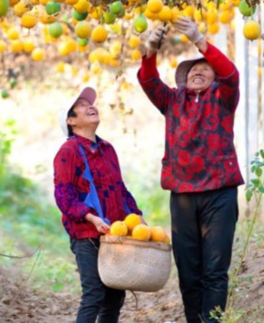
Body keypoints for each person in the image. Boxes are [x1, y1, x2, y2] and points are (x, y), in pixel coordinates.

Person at [137, 16, 243, 323]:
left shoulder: (223, 98)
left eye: (205, 69)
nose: (198, 71)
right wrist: (151, 50)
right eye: (193, 70)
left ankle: (212, 321)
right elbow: (147, 81)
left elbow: (231, 75)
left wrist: (200, 40)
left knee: (215, 269)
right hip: (183, 195)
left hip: (219, 194)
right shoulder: (172, 100)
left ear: (214, 78)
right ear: (184, 79)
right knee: (188, 271)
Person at [53, 86, 143, 323]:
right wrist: (91, 217)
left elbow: (120, 189)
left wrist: (136, 215)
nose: (89, 106)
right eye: (81, 106)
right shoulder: (68, 151)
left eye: (89, 103)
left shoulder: (107, 149)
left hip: (113, 233)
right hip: (87, 235)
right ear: (71, 120)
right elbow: (63, 195)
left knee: (115, 296)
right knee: (94, 294)